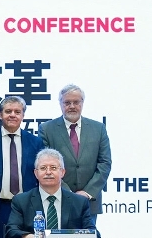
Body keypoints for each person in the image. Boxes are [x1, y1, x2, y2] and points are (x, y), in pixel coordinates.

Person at [39, 84, 112, 228]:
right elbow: (45, 165)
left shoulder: (98, 128)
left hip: (89, 201)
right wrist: (68, 193)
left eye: (76, 102)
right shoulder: (47, 129)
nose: (72, 106)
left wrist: (87, 192)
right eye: (67, 102)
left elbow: (105, 163)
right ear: (60, 104)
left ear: (82, 103)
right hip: (57, 199)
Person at [6, 148, 96, 238]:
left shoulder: (80, 202)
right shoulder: (21, 201)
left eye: (53, 168)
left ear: (62, 172)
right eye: (43, 168)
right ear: (36, 173)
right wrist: (27, 237)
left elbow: (94, 234)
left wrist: (74, 237)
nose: (48, 172)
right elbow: (11, 231)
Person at [0, 96, 44, 238]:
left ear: (23, 116)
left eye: (17, 112)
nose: (12, 115)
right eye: (8, 111)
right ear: (0, 114)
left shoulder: (36, 142)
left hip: (27, 208)